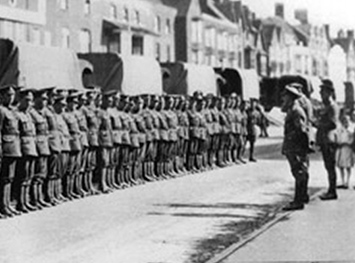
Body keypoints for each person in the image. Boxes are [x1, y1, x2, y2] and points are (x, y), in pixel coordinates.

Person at [281, 84, 311, 211]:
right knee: (299, 172)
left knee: (298, 172)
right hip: (294, 146)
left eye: (285, 96)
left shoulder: (296, 111)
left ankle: (298, 201)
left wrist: (299, 146)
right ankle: (302, 196)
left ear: (290, 97)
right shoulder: (292, 110)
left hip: (295, 146)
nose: (283, 98)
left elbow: (301, 130)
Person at [0, 85, 22, 217]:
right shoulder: (1, 111)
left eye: (12, 95)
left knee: (9, 178)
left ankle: (7, 204)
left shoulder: (12, 111)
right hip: (6, 148)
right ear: (1, 96)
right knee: (4, 179)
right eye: (8, 95)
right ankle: (2, 206)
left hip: (14, 147)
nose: (11, 97)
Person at [316, 79, 339, 200]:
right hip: (326, 140)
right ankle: (331, 190)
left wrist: (318, 125)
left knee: (330, 166)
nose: (321, 94)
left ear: (329, 93)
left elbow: (333, 124)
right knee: (328, 166)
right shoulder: (327, 106)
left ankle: (332, 191)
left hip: (329, 140)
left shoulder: (332, 106)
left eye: (323, 92)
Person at [335, 114, 354, 189]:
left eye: (347, 121)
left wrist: (348, 143)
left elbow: (352, 140)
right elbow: (338, 137)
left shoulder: (351, 130)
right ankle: (342, 181)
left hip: (348, 149)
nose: (346, 122)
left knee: (348, 166)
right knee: (341, 166)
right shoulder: (340, 129)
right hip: (341, 149)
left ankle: (347, 181)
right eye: (344, 121)